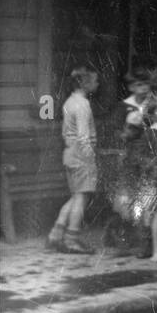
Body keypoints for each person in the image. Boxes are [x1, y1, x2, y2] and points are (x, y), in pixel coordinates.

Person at [116, 69, 157, 260]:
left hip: (153, 162)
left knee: (149, 206)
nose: (143, 88)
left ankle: (148, 245)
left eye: (146, 84)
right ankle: (129, 242)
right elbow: (123, 134)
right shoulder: (126, 108)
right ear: (131, 86)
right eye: (138, 84)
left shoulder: (155, 109)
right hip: (136, 158)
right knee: (131, 202)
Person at [47, 66, 99, 254]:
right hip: (81, 155)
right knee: (81, 197)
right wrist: (90, 156)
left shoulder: (70, 102)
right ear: (84, 83)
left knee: (76, 196)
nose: (97, 84)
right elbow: (83, 135)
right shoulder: (83, 105)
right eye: (94, 81)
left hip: (70, 153)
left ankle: (55, 234)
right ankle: (71, 239)